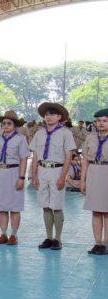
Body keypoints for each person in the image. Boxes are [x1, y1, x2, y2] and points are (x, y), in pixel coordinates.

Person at [30, 102, 76, 251]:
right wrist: (34, 175)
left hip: (57, 170)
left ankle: (58, 238)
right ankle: (49, 237)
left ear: (59, 117)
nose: (48, 117)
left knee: (56, 206)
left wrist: (63, 177)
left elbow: (68, 156)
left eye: (52, 114)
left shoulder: (65, 133)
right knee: (45, 206)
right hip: (42, 170)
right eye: (46, 114)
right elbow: (35, 156)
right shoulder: (39, 133)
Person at [0, 111, 30, 245]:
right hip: (0, 173)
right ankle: (3, 234)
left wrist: (21, 177)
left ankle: (14, 235)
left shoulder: (20, 139)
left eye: (9, 123)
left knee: (15, 206)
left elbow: (23, 159)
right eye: (4, 123)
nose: (5, 125)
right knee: (2, 206)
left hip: (14, 173)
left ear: (15, 125)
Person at [80, 108, 108, 255]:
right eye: (98, 121)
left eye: (104, 121)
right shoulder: (90, 138)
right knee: (96, 211)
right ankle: (98, 243)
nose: (101, 123)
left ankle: (106, 243)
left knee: (107, 212)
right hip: (93, 172)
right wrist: (82, 180)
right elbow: (85, 160)